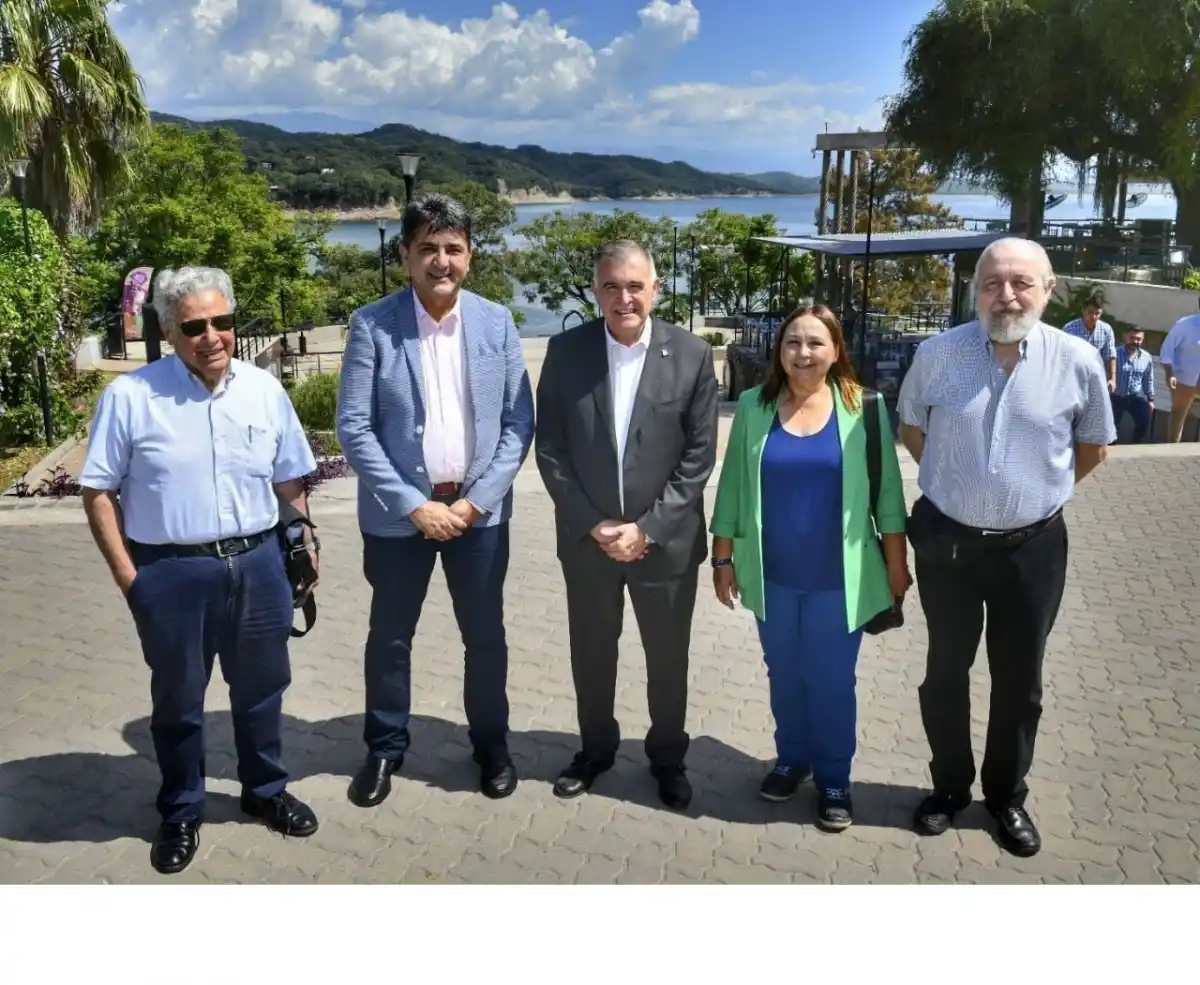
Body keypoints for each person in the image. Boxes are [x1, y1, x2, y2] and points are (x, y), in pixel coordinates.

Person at [79, 266, 321, 876]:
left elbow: (289, 475)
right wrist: (130, 579)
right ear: (169, 328)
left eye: (223, 321)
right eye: (194, 325)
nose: (212, 336)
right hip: (171, 571)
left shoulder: (263, 392)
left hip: (260, 562)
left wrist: (303, 539)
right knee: (180, 701)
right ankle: (182, 807)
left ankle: (265, 790)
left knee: (264, 689)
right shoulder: (132, 397)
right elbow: (99, 492)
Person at [897, 237, 1115, 858]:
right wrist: (960, 486)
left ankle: (1005, 797)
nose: (1006, 295)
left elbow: (1095, 446)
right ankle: (948, 790)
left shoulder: (1075, 360)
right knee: (945, 673)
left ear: (1048, 290)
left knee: (1021, 683)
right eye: (992, 283)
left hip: (1034, 549)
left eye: (1022, 282)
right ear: (975, 290)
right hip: (950, 548)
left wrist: (1035, 493)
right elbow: (913, 427)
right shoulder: (937, 354)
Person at [337, 193, 534, 807]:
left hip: (478, 515)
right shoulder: (373, 323)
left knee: (485, 636)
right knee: (391, 636)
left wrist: (475, 502)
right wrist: (411, 504)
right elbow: (354, 426)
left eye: (453, 248)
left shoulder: (496, 322)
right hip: (402, 520)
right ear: (406, 256)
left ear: (470, 256)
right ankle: (385, 747)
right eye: (428, 248)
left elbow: (516, 422)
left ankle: (491, 745)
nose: (440, 260)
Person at [709, 306, 910, 831]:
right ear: (780, 350)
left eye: (815, 343)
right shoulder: (754, 406)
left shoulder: (863, 408)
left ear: (835, 350)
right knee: (784, 676)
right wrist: (722, 556)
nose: (802, 353)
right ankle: (792, 759)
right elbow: (731, 486)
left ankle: (835, 779)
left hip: (838, 580)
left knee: (831, 681)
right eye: (792, 342)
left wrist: (897, 566)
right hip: (769, 574)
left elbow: (888, 495)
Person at [535, 240, 718, 810]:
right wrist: (594, 525)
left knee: (667, 659)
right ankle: (595, 750)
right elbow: (551, 448)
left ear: (656, 289)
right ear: (596, 291)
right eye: (611, 286)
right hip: (589, 545)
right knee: (592, 653)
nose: (624, 298)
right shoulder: (566, 353)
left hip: (664, 547)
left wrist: (648, 528)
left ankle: (668, 757)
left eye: (635, 286)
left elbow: (699, 457)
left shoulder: (691, 354)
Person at [1159, 302, 1200, 442]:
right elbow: (1167, 350)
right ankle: (1172, 448)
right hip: (1184, 377)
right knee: (1179, 412)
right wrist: (1169, 374)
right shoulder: (1185, 325)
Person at [1062, 292, 1116, 392]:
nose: (1093, 317)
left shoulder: (1106, 330)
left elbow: (1110, 355)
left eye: (1097, 313)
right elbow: (1062, 355)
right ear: (1083, 311)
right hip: (1074, 377)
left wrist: (1112, 379)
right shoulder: (1069, 329)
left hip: (1096, 377)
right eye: (1090, 312)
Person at [1111, 328, 1155, 444]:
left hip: (1134, 397)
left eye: (1138, 339)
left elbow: (1148, 379)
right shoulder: (1114, 354)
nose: (1135, 341)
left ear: (1142, 340)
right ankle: (1110, 448)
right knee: (1112, 426)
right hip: (1116, 397)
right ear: (1125, 337)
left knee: (1143, 419)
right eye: (1132, 338)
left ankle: (1135, 444)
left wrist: (1150, 399)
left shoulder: (1146, 357)